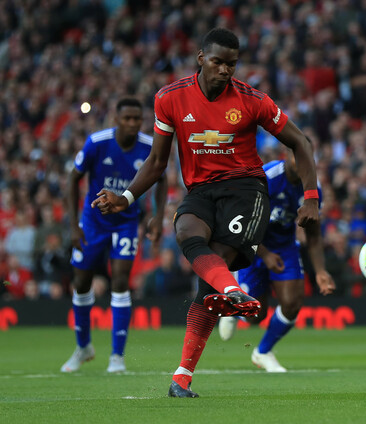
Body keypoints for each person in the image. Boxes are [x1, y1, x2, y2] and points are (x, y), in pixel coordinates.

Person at [92, 28, 319, 397]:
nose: (225, 70)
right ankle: (229, 297)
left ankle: (187, 367)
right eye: (218, 62)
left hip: (246, 190)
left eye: (232, 64)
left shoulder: (253, 100)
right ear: (201, 58)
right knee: (185, 232)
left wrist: (311, 197)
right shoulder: (169, 98)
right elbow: (157, 161)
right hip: (200, 191)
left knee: (212, 276)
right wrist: (127, 198)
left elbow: (301, 142)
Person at [61, 98, 167, 373]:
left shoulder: (148, 146)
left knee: (120, 280)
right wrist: (73, 225)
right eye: (127, 118)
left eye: (137, 119)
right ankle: (83, 347)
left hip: (126, 223)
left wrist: (157, 216)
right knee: (81, 282)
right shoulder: (97, 143)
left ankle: (117, 357)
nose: (132, 123)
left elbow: (162, 178)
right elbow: (73, 178)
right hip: (93, 222)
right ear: (116, 119)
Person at [218, 146, 336, 372]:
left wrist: (320, 270)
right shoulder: (266, 178)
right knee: (255, 316)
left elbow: (313, 234)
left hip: (284, 247)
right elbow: (242, 224)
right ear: (287, 155)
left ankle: (263, 352)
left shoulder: (313, 189)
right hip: (251, 245)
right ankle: (234, 307)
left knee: (293, 303)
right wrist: (264, 254)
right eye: (298, 156)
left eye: (308, 158)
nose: (303, 162)